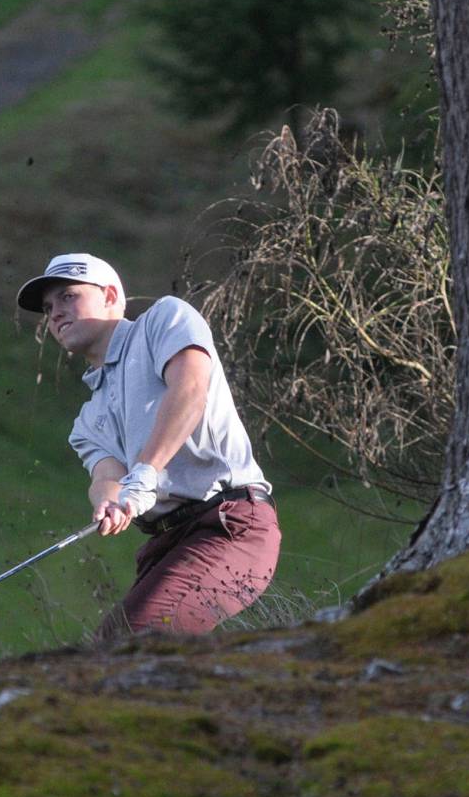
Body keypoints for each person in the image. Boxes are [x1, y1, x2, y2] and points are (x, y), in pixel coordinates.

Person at [17, 253, 281, 640]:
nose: (55, 313)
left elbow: (190, 390)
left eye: (68, 296)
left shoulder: (164, 319)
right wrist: (109, 499)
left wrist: (146, 472)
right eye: (48, 307)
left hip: (229, 525)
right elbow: (107, 476)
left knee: (131, 644)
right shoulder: (88, 420)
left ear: (110, 295)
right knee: (112, 650)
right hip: (169, 543)